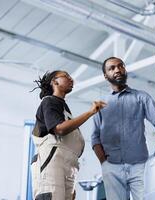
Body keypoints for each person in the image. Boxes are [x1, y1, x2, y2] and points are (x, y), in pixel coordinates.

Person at [91, 57, 155, 200]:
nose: (117, 70)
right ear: (105, 76)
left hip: (139, 166)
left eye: (120, 66)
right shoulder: (100, 105)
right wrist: (104, 162)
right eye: (112, 68)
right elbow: (95, 137)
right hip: (112, 167)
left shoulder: (141, 97)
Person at [31, 70, 106, 200]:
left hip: (68, 165)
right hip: (52, 160)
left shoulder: (64, 107)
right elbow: (59, 129)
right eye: (66, 76)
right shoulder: (49, 101)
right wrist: (90, 112)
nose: (72, 80)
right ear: (54, 82)